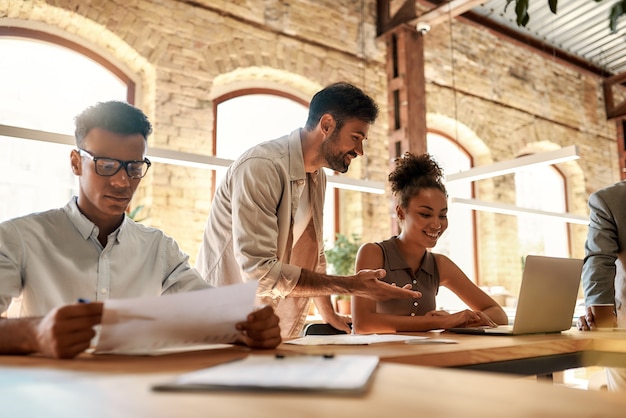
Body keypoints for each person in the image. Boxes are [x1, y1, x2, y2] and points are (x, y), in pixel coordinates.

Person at [0, 101, 281, 359]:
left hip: (137, 396)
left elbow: (215, 314)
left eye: (134, 167)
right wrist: (35, 334)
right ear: (76, 162)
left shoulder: (159, 249)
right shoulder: (19, 238)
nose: (123, 182)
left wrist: (251, 324)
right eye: (107, 166)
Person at [196, 82, 420, 338]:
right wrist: (351, 286)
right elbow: (259, 272)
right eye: (356, 138)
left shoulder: (317, 177)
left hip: (260, 326)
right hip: (219, 321)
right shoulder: (262, 166)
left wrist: (329, 314)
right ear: (326, 125)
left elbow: (315, 256)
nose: (359, 151)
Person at [351, 152, 508, 334]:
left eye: (442, 215)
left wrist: (461, 320)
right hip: (376, 359)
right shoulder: (373, 253)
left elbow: (498, 314)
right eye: (425, 214)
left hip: (423, 356)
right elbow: (363, 323)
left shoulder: (439, 264)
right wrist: (440, 322)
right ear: (401, 213)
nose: (436, 224)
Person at [577, 180, 626, 391]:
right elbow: (599, 262)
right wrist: (600, 316)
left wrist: (601, 319)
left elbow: (599, 260)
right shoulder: (609, 200)